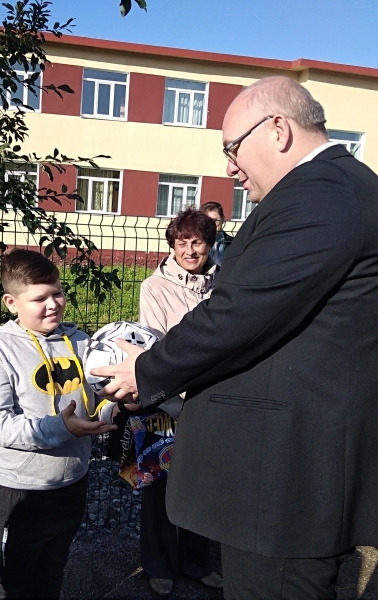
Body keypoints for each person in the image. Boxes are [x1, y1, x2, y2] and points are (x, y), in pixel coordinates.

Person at [92, 76, 378, 600]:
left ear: (278, 129)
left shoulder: (322, 194)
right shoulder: (329, 189)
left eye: (232, 148)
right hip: (280, 474)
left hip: (286, 480)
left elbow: (240, 312)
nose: (230, 167)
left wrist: (146, 369)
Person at [0, 249, 116, 599]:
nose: (53, 304)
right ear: (11, 302)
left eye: (57, 293)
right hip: (16, 492)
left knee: (51, 574)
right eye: (39, 299)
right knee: (8, 586)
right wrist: (60, 428)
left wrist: (113, 408)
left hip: (71, 483)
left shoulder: (81, 342)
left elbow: (98, 397)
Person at [137, 207, 222, 597]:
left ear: (210, 244)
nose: (190, 251)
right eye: (182, 242)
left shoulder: (225, 285)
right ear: (172, 245)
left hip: (210, 404)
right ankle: (157, 565)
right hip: (165, 404)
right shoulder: (154, 287)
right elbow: (158, 346)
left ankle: (197, 563)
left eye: (198, 242)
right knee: (158, 489)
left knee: (203, 489)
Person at [199, 201, 229, 266]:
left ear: (222, 220)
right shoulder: (195, 243)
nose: (211, 224)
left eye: (214, 220)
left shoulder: (233, 243)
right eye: (207, 221)